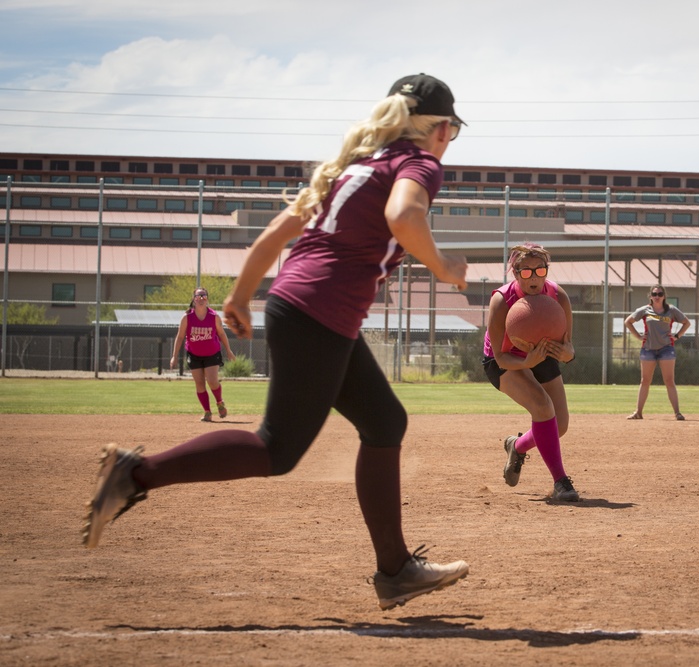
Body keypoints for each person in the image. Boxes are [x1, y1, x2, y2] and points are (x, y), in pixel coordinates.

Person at [83, 73, 471, 611]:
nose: (448, 142)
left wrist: (240, 297)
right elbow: (403, 216)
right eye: (451, 131)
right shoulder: (416, 162)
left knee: (384, 422)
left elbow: (274, 235)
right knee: (277, 447)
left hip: (299, 304)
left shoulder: (353, 166)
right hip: (321, 312)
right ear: (441, 128)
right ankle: (136, 473)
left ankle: (396, 571)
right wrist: (443, 265)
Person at [482, 243, 579, 502]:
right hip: (504, 360)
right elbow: (500, 357)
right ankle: (561, 483)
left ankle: (517, 445)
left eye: (540, 270)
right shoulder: (501, 300)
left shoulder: (558, 296)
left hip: (542, 354)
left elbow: (569, 348)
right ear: (515, 273)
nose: (534, 277)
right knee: (542, 407)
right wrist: (527, 362)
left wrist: (567, 354)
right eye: (526, 272)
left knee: (560, 425)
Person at [624, 285, 691, 421]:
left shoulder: (671, 310)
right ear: (650, 296)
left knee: (669, 380)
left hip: (666, 348)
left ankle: (677, 413)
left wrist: (677, 336)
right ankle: (638, 412)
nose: (657, 297)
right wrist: (638, 336)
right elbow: (628, 321)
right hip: (648, 349)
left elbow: (686, 322)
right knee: (645, 381)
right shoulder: (645, 310)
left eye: (660, 294)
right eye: (654, 294)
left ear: (664, 296)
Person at [170, 287, 236, 422]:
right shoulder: (187, 317)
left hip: (212, 353)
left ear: (207, 300)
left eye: (204, 296)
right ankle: (207, 412)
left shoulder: (214, 316)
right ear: (193, 300)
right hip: (194, 354)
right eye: (198, 296)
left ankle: (219, 402)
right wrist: (174, 355)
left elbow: (222, 334)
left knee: (212, 381)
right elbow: (180, 337)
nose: (201, 299)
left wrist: (228, 351)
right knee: (200, 384)